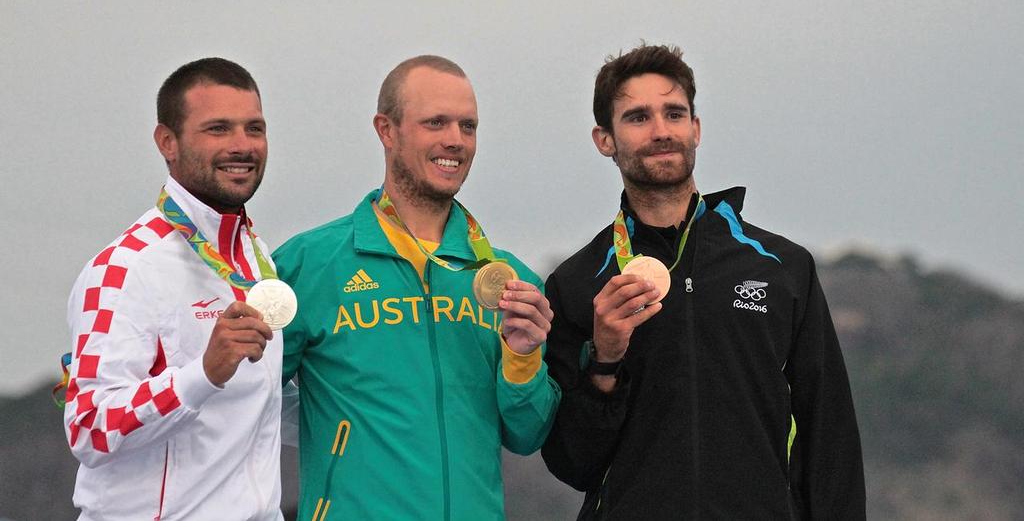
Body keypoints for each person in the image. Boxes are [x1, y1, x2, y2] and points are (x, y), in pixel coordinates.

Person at [541, 45, 865, 519]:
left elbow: (829, 435)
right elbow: (572, 463)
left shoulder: (780, 267)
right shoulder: (578, 284)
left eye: (674, 114)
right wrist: (605, 360)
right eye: (637, 117)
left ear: (696, 128)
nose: (660, 131)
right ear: (604, 139)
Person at [273, 55, 561, 520]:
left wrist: (523, 356)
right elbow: (241, 403)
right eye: (436, 123)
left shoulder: (509, 280)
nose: (456, 140)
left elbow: (526, 435)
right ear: (386, 130)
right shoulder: (309, 264)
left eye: (468, 126)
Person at [62, 58, 285, 520]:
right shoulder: (125, 267)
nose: (242, 146)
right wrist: (202, 373)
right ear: (168, 142)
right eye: (218, 129)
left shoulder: (256, 256)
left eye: (254, 129)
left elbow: (254, 416)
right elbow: (89, 427)